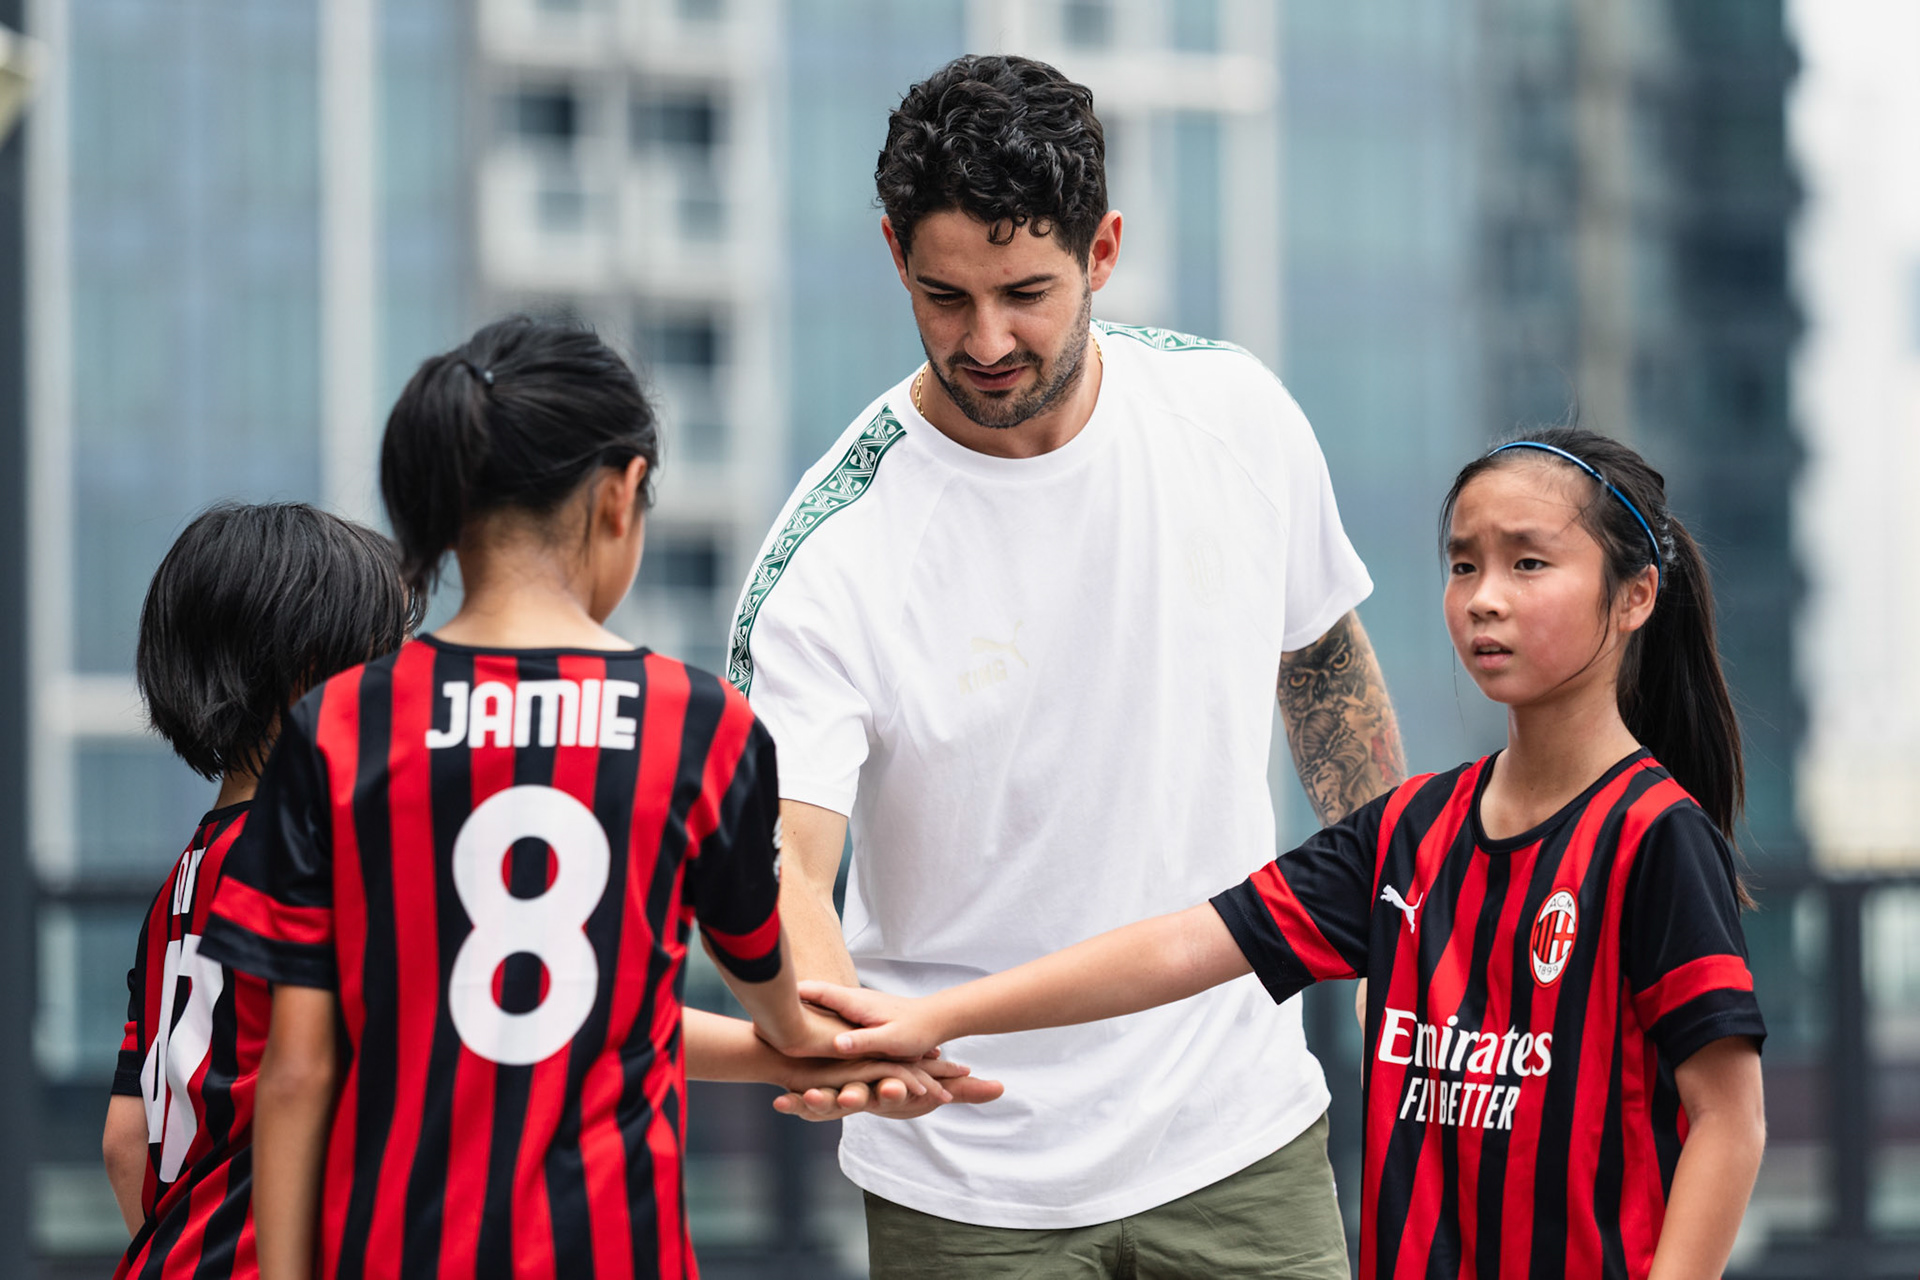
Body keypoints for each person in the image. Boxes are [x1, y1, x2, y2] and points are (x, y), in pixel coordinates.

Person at [728, 54, 1405, 1276]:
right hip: (965, 1161)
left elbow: (1324, 679)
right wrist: (838, 1029)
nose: (987, 339)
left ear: (1103, 252)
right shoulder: (833, 546)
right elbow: (784, 854)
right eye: (945, 296)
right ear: (894, 254)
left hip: (1238, 1127)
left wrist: (1418, 944)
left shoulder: (1237, 417)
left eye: (1027, 291)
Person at [804, 427, 1770, 1280]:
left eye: (1528, 565)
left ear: (1636, 594)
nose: (1483, 600)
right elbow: (1184, 948)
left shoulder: (1654, 837)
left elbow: (1730, 1121)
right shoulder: (1409, 831)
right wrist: (931, 1017)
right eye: (1463, 564)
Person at [197, 317, 982, 1280]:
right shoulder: (694, 724)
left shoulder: (341, 726)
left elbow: (298, 1071)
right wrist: (844, 1049)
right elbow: (766, 984)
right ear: (622, 496)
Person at [105, 504, 420, 1280]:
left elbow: (123, 1140)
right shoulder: (325, 862)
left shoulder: (183, 884)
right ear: (307, 674)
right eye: (382, 663)